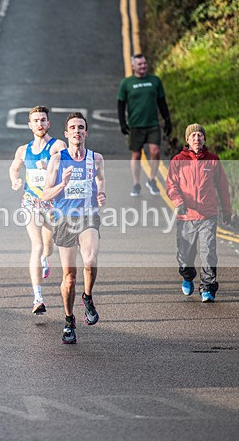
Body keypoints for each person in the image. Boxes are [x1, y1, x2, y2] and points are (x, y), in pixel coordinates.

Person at [42, 112, 105, 344]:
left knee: (90, 260)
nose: (77, 131)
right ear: (66, 134)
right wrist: (63, 184)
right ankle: (69, 321)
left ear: (86, 133)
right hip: (64, 219)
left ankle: (87, 297)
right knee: (69, 278)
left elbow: (101, 180)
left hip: (88, 217)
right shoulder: (57, 159)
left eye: (81, 127)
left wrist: (102, 193)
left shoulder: (96, 158)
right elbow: (45, 194)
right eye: (72, 128)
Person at [9, 106, 66, 314]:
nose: (40, 124)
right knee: (37, 245)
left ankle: (45, 259)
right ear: (30, 125)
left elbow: (67, 163)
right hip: (31, 202)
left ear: (48, 124)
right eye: (36, 120)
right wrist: (15, 180)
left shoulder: (57, 145)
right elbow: (14, 167)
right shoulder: (23, 150)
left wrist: (49, 165)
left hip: (52, 203)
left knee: (49, 247)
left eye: (43, 120)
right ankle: (37, 298)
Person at [166, 124, 232, 302]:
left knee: (208, 252)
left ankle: (208, 288)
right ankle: (188, 276)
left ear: (204, 139)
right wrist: (178, 202)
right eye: (193, 135)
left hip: (207, 216)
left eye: (200, 135)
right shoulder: (178, 160)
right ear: (187, 140)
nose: (197, 138)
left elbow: (223, 187)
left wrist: (227, 210)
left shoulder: (212, 160)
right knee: (184, 256)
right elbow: (171, 185)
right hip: (186, 216)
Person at [117, 53, 171, 197]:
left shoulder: (155, 81)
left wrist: (167, 119)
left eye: (145, 64)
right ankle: (136, 184)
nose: (143, 66)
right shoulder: (127, 83)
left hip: (152, 124)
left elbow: (162, 102)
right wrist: (122, 123)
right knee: (136, 154)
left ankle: (152, 180)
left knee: (155, 151)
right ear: (133, 66)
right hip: (135, 125)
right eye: (140, 64)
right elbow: (121, 104)